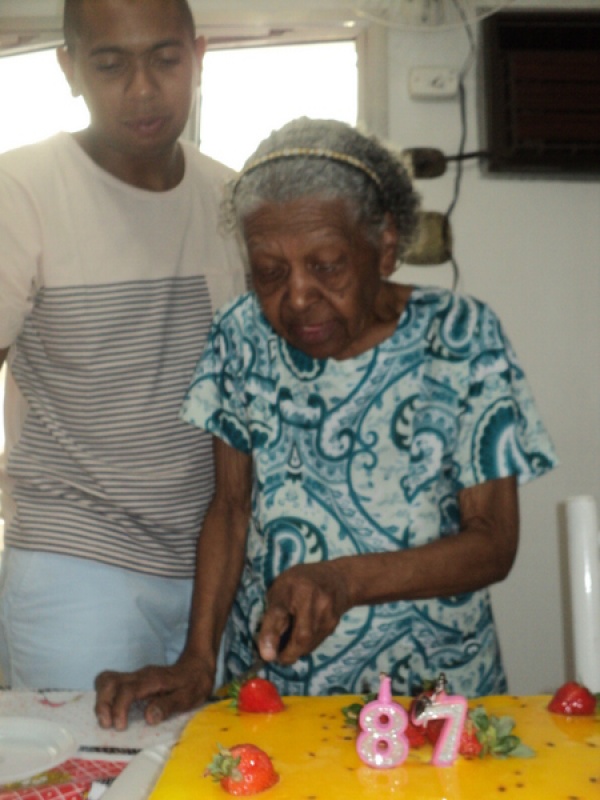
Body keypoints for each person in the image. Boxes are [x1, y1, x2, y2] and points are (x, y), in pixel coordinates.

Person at [95, 117, 557, 730]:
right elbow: (231, 509)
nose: (298, 298)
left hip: (431, 699)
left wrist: (341, 581)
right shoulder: (241, 336)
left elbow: (493, 541)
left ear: (385, 247)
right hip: (273, 693)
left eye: (328, 266)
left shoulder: (462, 336)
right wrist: (197, 659)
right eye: (270, 272)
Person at [0, 0, 245, 690]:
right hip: (75, 567)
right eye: (110, 65)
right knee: (84, 783)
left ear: (198, 56)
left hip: (214, 571)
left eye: (165, 60)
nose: (142, 89)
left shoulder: (232, 199)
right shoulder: (20, 192)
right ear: (69, 68)